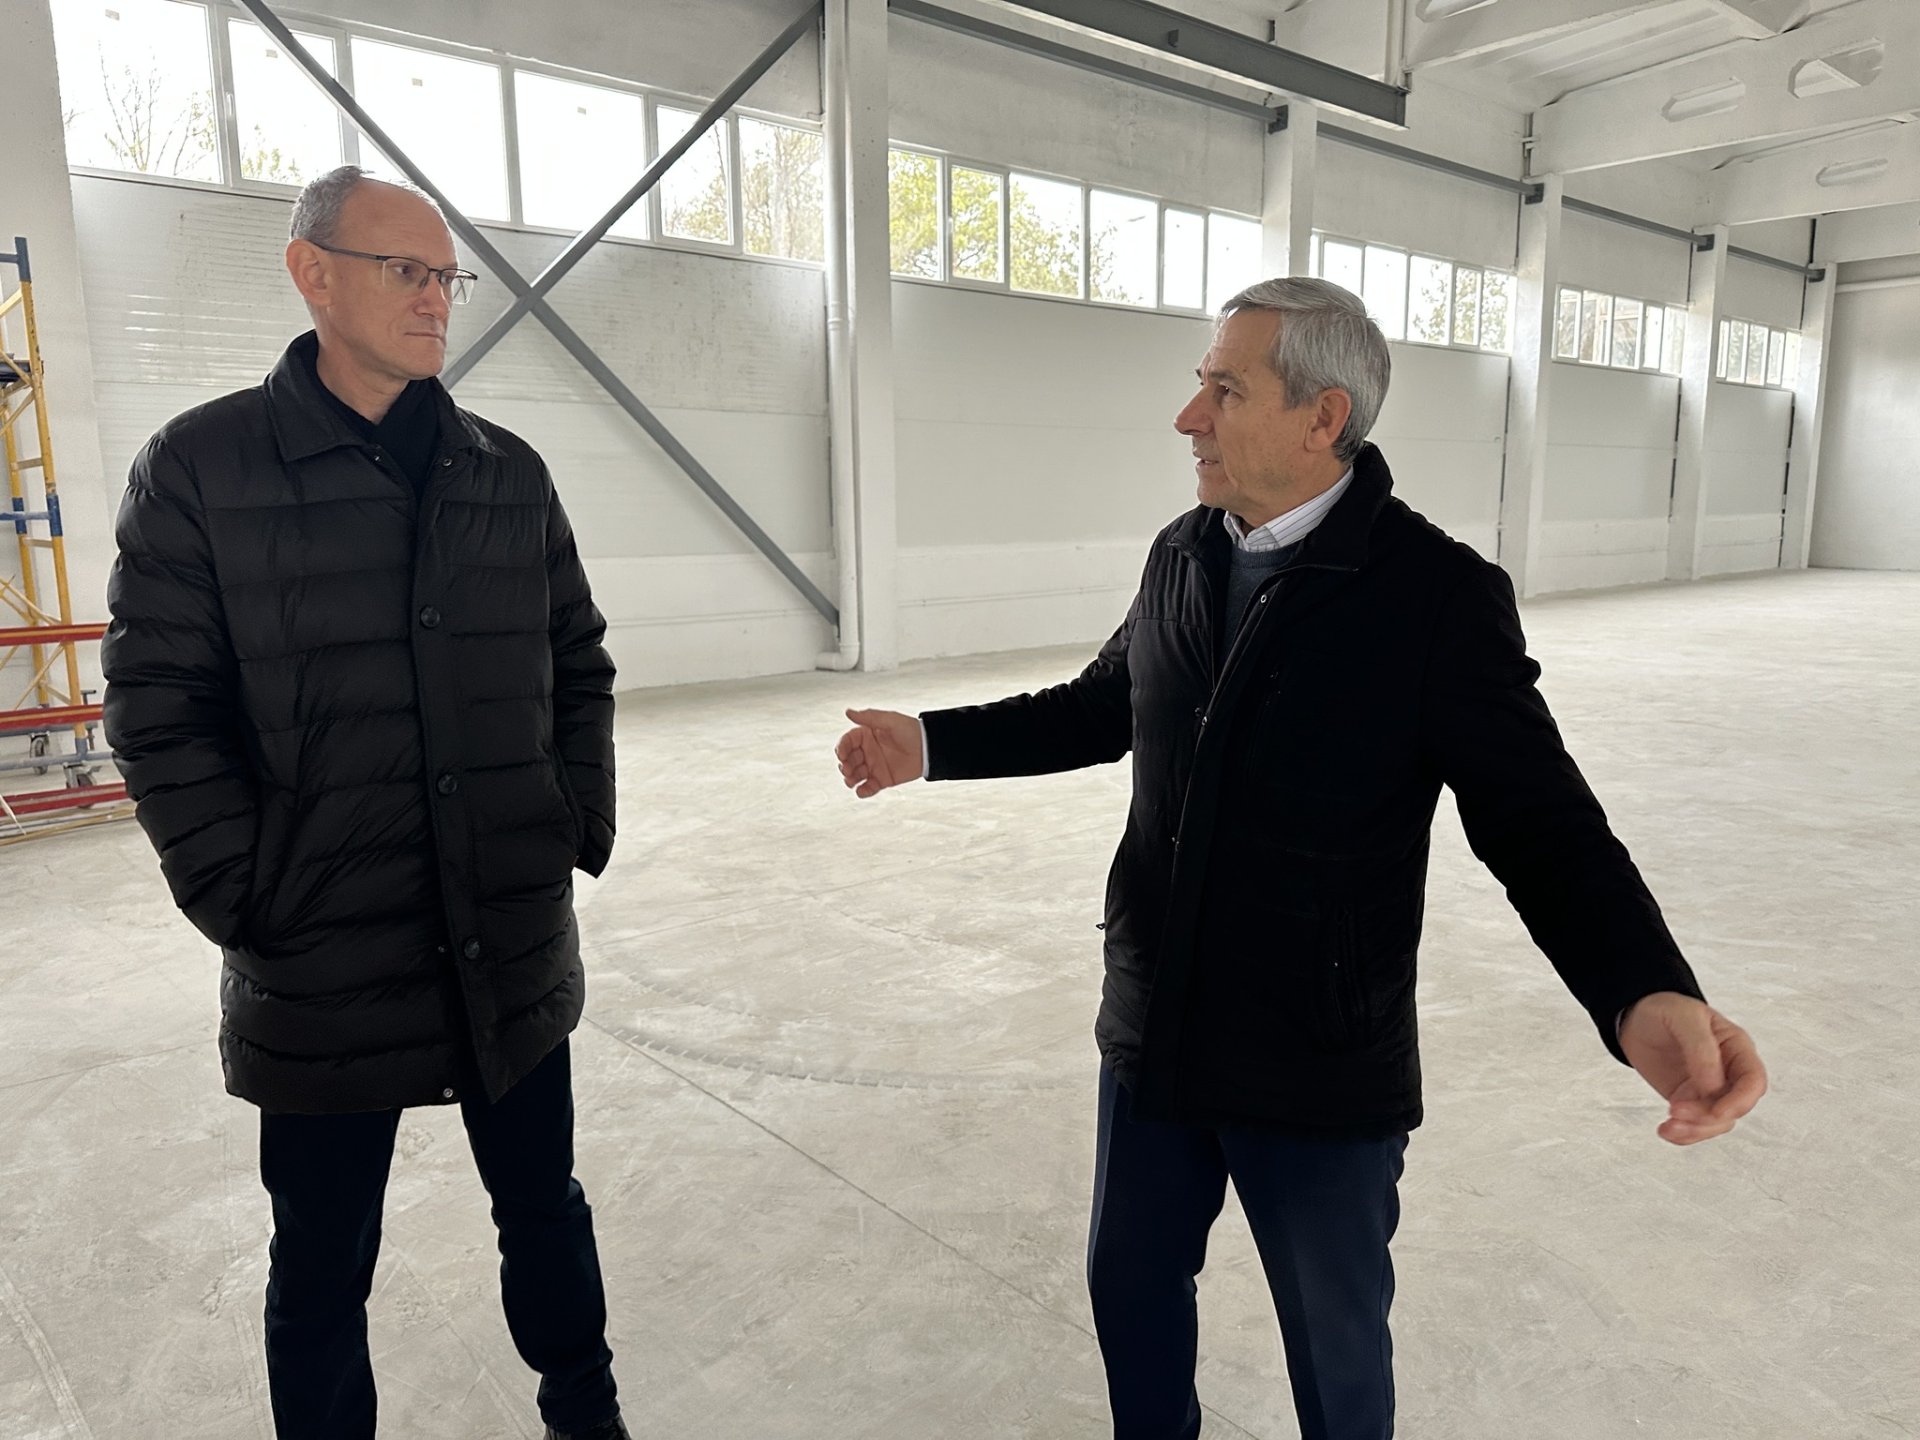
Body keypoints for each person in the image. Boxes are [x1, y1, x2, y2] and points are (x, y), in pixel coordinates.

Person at [833, 276, 1768, 1440]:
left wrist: (1642, 989)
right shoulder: (1184, 553)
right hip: (1156, 1028)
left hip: (1316, 1061)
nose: (1189, 418)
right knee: (1130, 1292)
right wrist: (930, 744)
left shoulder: (1434, 598)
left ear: (1323, 418)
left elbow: (1540, 822)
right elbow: (1105, 703)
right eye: (1200, 386)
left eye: (1224, 391)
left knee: (1335, 1353)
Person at [101, 165, 628, 1440]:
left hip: (507, 934)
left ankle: (586, 1414)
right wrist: (245, 894)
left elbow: (577, 659)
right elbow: (159, 706)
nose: (435, 298)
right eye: (404, 270)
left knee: (545, 1209)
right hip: (322, 953)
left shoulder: (507, 473)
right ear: (312, 272)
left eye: (447, 276)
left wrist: (573, 824)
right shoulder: (202, 469)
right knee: (322, 1260)